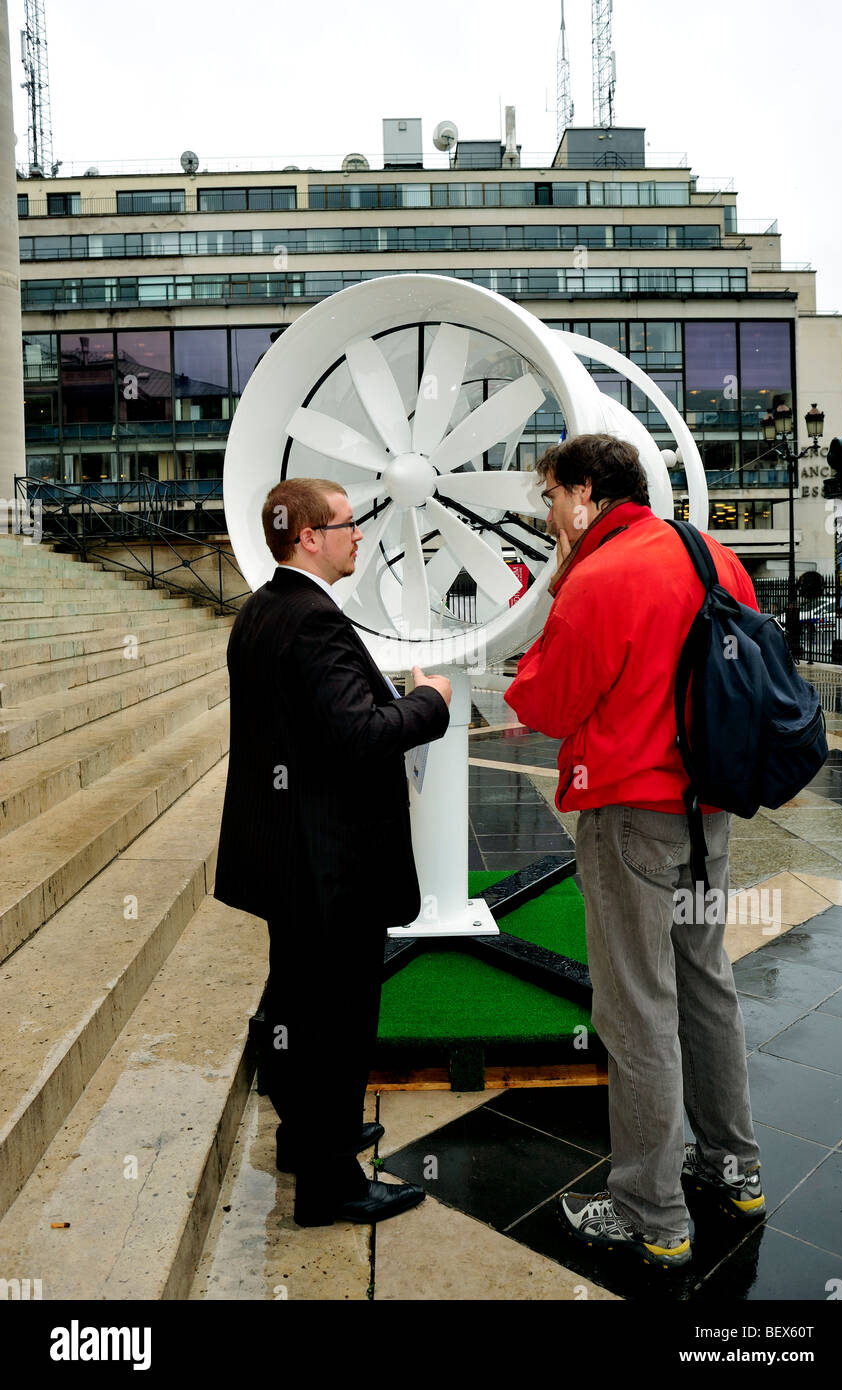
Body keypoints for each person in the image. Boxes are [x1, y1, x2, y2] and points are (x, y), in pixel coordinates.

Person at [505, 434, 765, 1269]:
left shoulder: (600, 577)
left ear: (584, 493)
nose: (548, 516)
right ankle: (736, 1171)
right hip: (708, 810)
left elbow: (544, 702)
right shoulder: (711, 552)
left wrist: (555, 589)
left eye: (550, 499)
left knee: (636, 1009)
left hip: (631, 812)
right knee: (706, 985)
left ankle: (655, 1216)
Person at [214, 477, 451, 1227]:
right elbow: (354, 736)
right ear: (308, 535)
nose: (359, 535)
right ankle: (331, 1184)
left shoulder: (262, 610)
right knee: (335, 1023)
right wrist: (429, 704)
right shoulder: (312, 620)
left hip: (289, 858)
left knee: (299, 1007)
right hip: (328, 865)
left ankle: (312, 1137)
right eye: (349, 523)